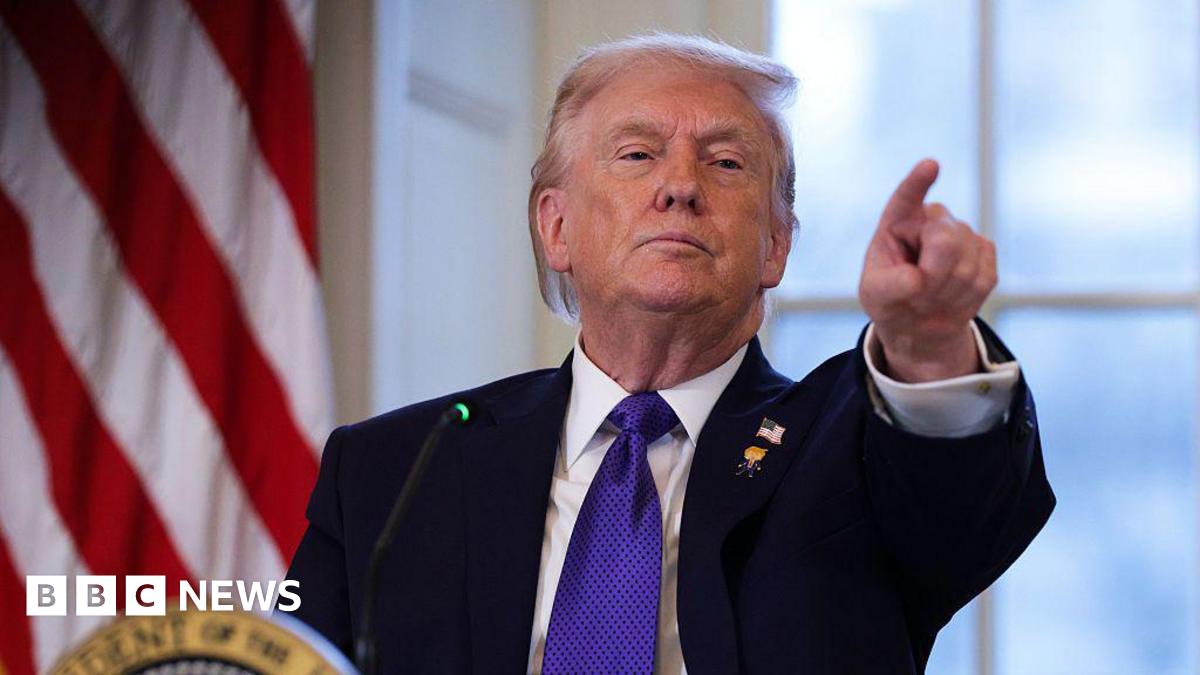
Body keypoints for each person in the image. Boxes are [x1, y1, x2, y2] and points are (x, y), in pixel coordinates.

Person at [286, 34, 1054, 674]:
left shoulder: (850, 447)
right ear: (556, 228)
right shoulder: (392, 473)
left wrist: (926, 345)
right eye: (636, 154)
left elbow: (957, 505)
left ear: (776, 244)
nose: (680, 186)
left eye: (725, 163)